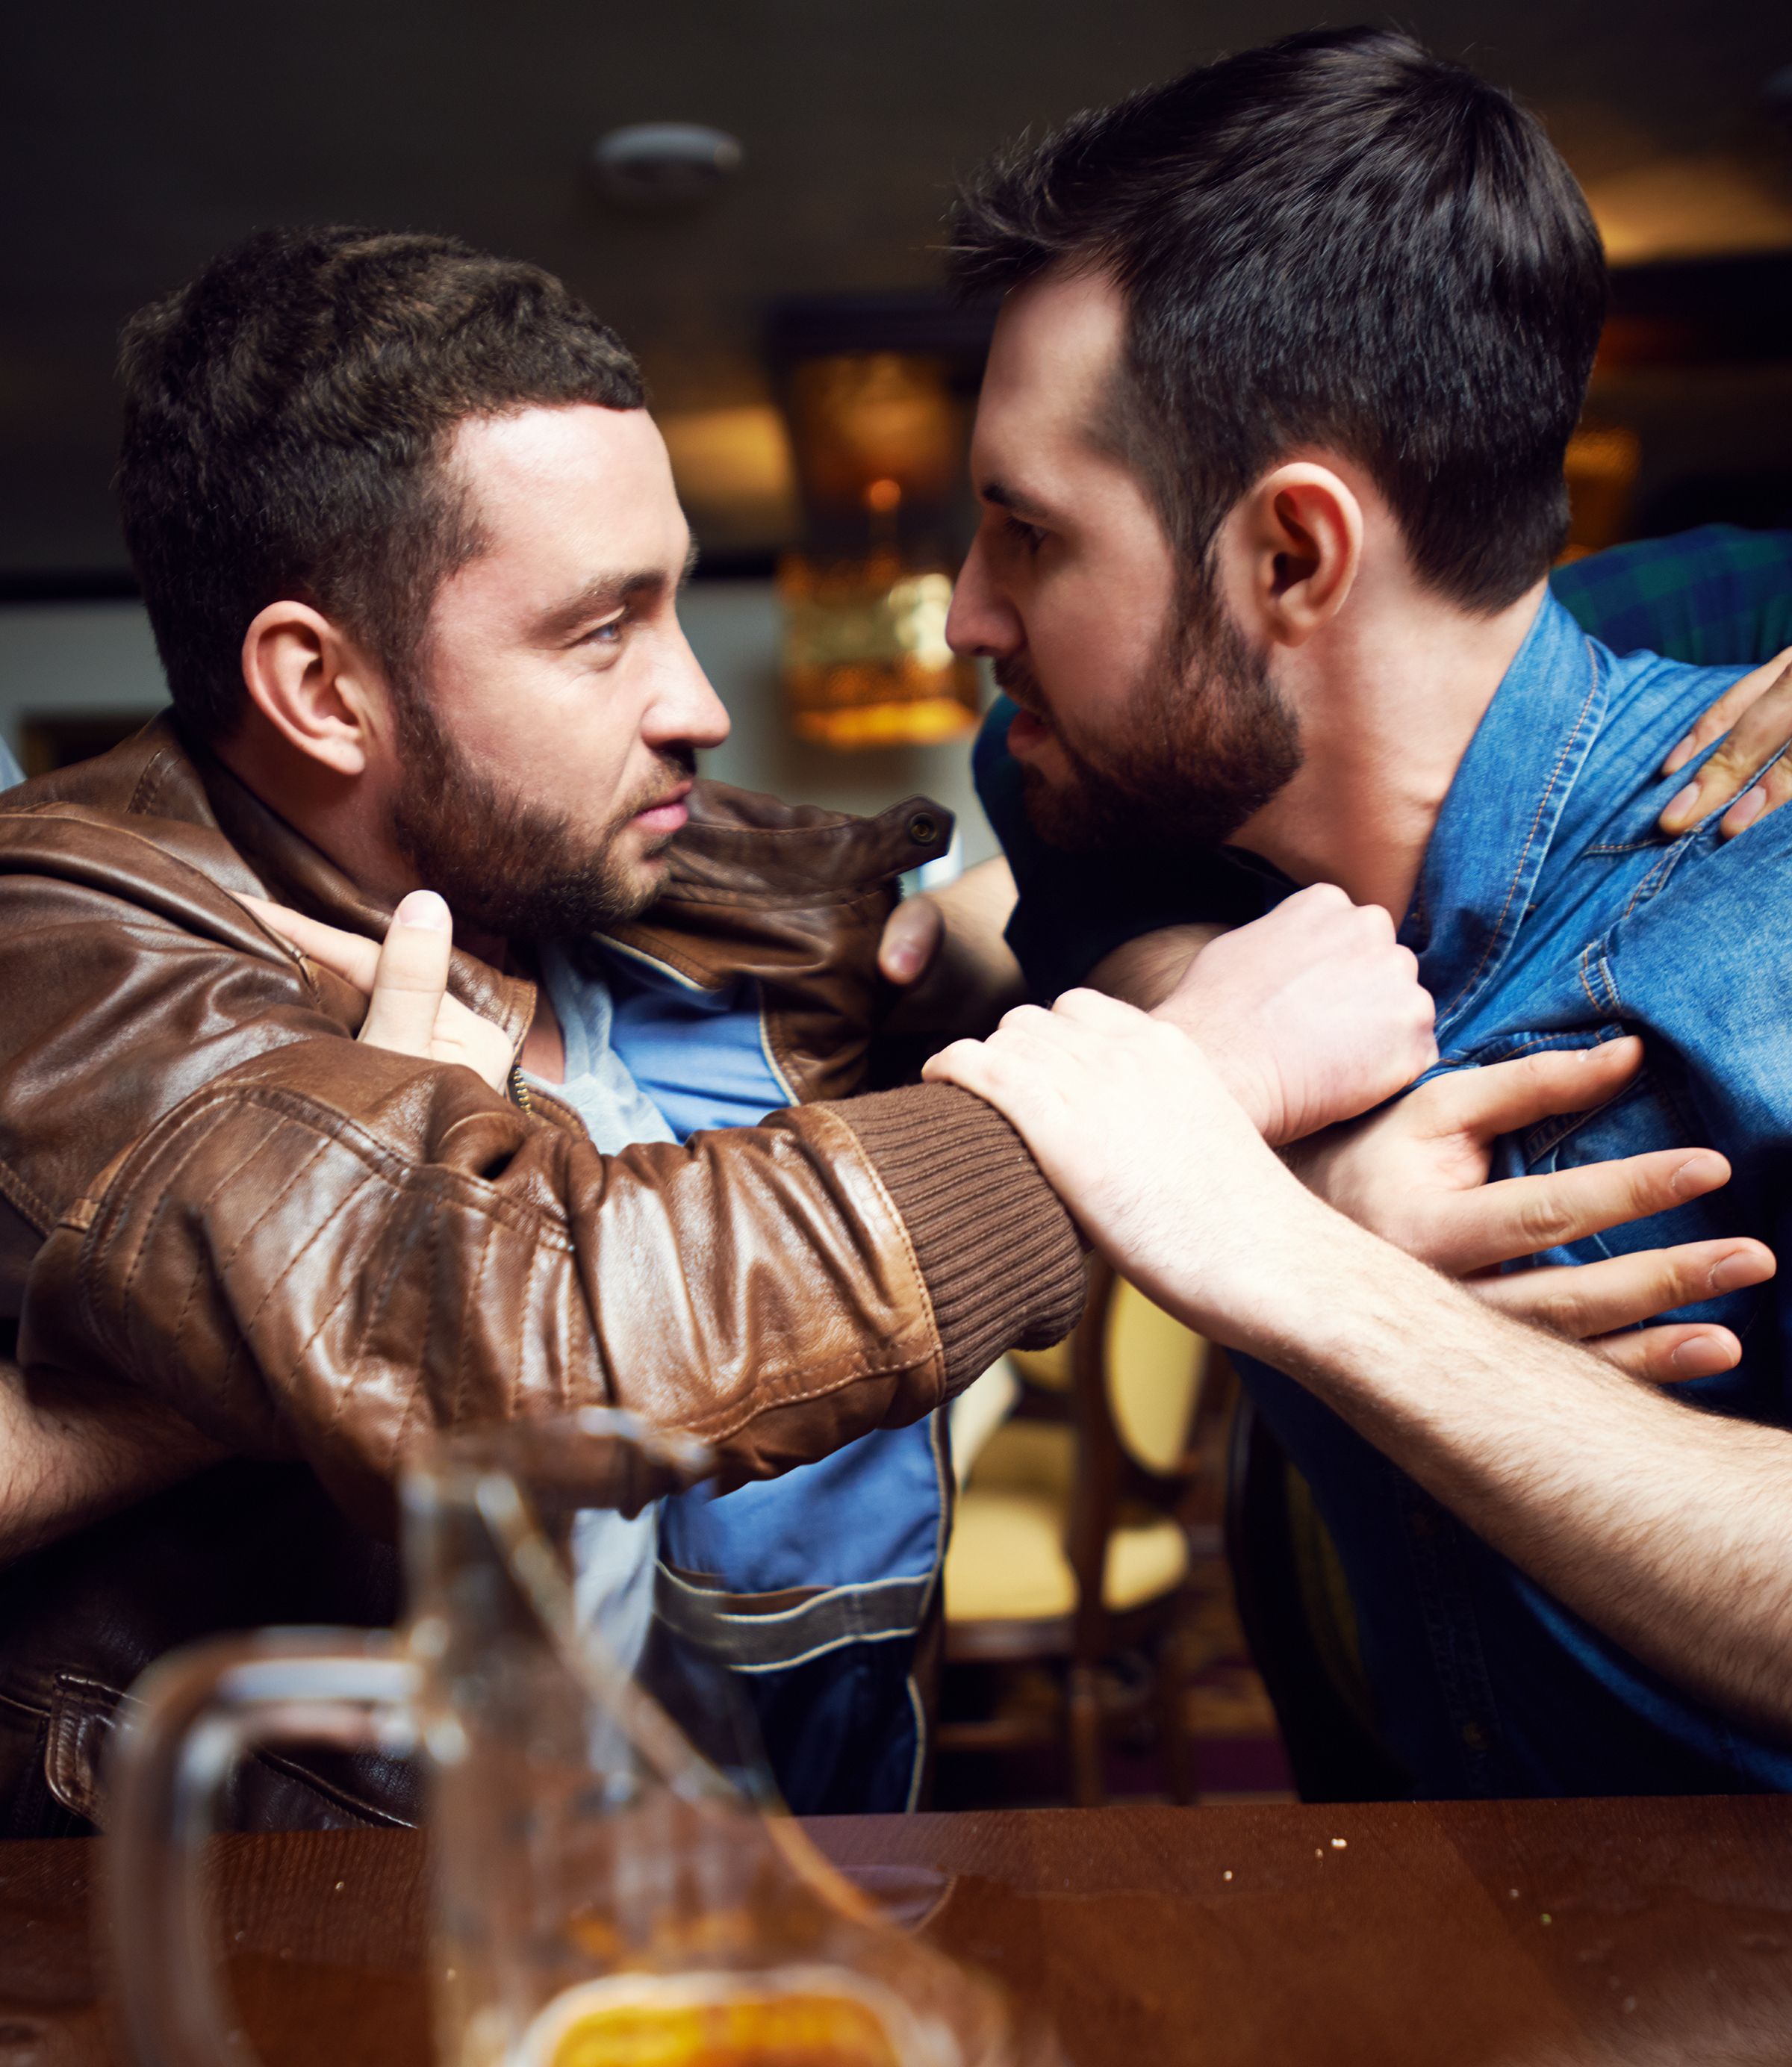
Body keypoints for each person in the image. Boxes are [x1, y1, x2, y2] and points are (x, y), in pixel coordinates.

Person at [0, 223, 1448, 1834]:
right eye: (601, 627)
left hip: (765, 1868)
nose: (700, 700)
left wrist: (1744, 639)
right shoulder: (69, 947)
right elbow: (535, 1332)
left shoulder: (618, 865)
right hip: (332, 1982)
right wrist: (1168, 1099)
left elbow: (1119, 799)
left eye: (676, 603)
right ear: (324, 691)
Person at [925, 24, 1792, 1796]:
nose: (965, 618)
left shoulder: (1756, 916)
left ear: (1295, 557)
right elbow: (1024, 838)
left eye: (1031, 535)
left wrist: (1290, 1261)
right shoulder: (1181, 844)